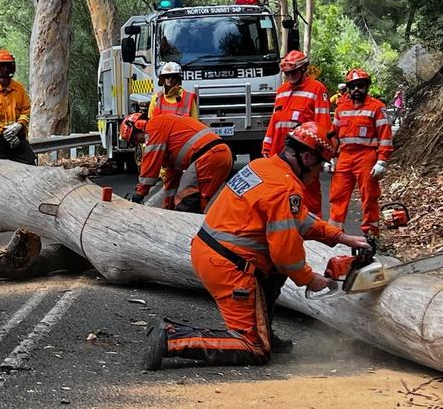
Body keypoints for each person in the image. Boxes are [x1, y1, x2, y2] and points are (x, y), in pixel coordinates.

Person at [143, 122, 369, 370]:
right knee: (254, 348)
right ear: (306, 158)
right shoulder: (284, 188)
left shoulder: (264, 166)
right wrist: (309, 279)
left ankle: (263, 329)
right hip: (230, 267)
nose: (318, 173)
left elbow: (299, 218)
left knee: (273, 272)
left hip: (211, 251)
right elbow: (286, 256)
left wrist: (340, 237)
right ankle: (171, 338)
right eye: (319, 165)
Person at [262, 50, 332, 216]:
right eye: (287, 73)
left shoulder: (317, 89)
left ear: (303, 69)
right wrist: (266, 147)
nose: (290, 76)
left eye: (293, 72)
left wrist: (325, 156)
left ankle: (315, 238)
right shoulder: (282, 91)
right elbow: (275, 122)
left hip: (305, 157)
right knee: (279, 197)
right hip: (280, 155)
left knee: (309, 200)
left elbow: (323, 124)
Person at [120, 113, 232, 213]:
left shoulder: (154, 127)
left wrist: (139, 193)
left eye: (135, 139)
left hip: (208, 157)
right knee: (198, 204)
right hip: (220, 155)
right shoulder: (166, 130)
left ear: (138, 125)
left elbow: (150, 165)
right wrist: (167, 209)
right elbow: (171, 177)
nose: (140, 142)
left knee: (186, 202)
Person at [327, 69, 393, 238]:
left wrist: (382, 161)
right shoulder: (341, 108)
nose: (357, 89)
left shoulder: (377, 107)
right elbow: (332, 134)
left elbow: (385, 136)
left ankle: (371, 236)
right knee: (337, 196)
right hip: (344, 157)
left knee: (369, 197)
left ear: (367, 86)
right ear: (348, 88)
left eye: (360, 85)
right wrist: (329, 157)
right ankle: (334, 234)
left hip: (367, 157)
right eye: (353, 86)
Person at [0, 49, 36, 165]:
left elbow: (26, 110)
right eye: (2, 66)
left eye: (8, 66)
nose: (6, 69)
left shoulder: (19, 88)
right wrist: (5, 132)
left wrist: (18, 126)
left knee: (30, 164)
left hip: (18, 136)